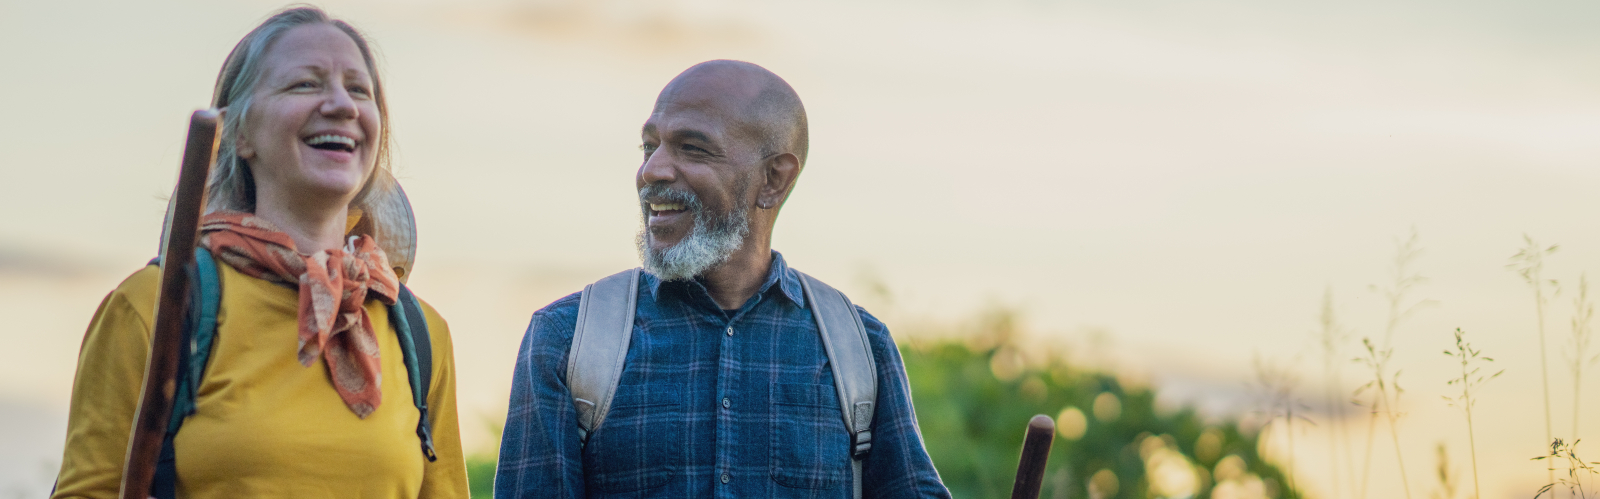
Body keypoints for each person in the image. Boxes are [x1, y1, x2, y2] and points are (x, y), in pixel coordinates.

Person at [51, 6, 467, 498]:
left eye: (359, 89)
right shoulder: (157, 305)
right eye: (305, 85)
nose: (343, 105)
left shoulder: (417, 332)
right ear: (240, 135)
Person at [495, 60, 950, 498]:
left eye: (692, 148)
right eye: (649, 146)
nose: (652, 170)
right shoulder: (565, 338)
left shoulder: (860, 348)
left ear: (774, 179)